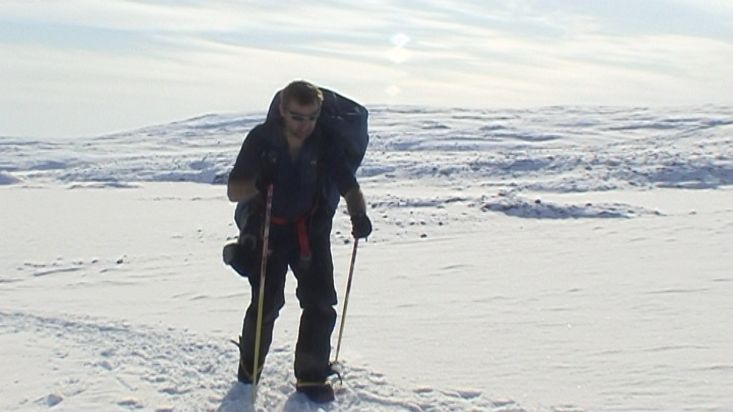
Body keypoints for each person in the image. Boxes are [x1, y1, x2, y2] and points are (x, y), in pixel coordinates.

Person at [224, 80, 372, 403]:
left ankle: (311, 377)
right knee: (267, 303)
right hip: (268, 231)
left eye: (311, 118)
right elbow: (234, 190)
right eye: (296, 117)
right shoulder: (260, 140)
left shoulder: (324, 142)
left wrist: (358, 214)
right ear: (282, 110)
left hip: (309, 231)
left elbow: (348, 185)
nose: (304, 125)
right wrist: (257, 184)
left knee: (320, 302)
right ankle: (249, 372)